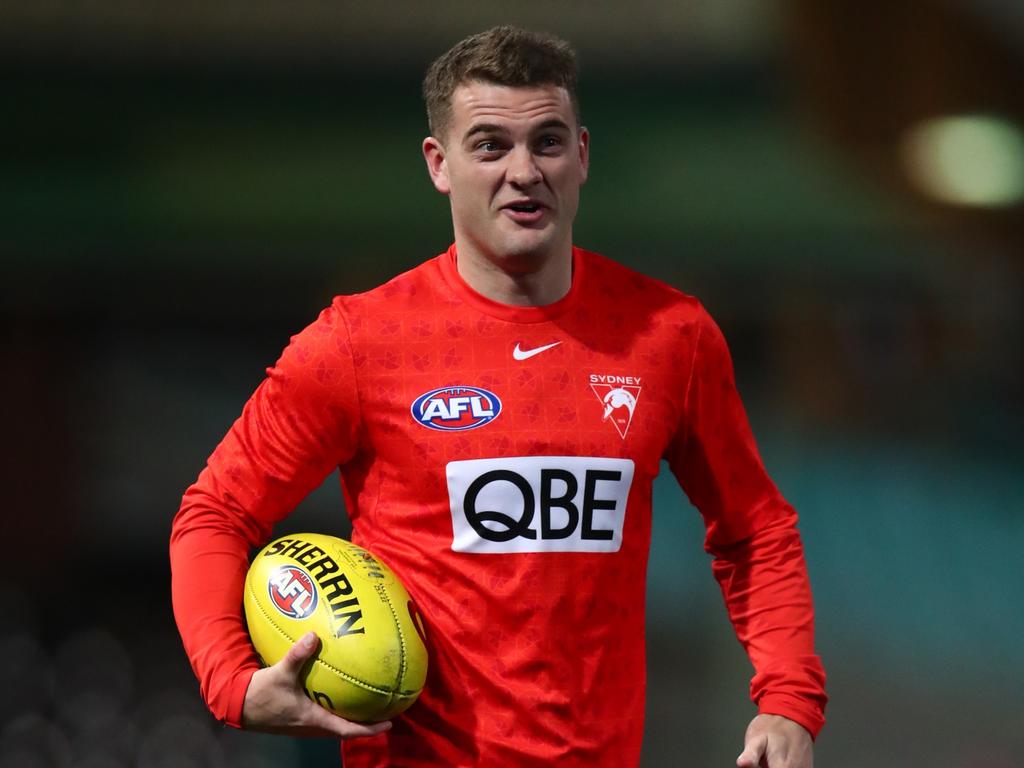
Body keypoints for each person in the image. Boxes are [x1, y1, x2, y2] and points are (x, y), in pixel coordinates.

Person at [170, 25, 827, 768]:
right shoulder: (358, 343)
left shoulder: (671, 336)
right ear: (439, 164)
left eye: (547, 142)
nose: (524, 170)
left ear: (581, 155)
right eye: (490, 145)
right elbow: (215, 514)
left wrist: (787, 702)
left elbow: (754, 530)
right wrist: (231, 679)